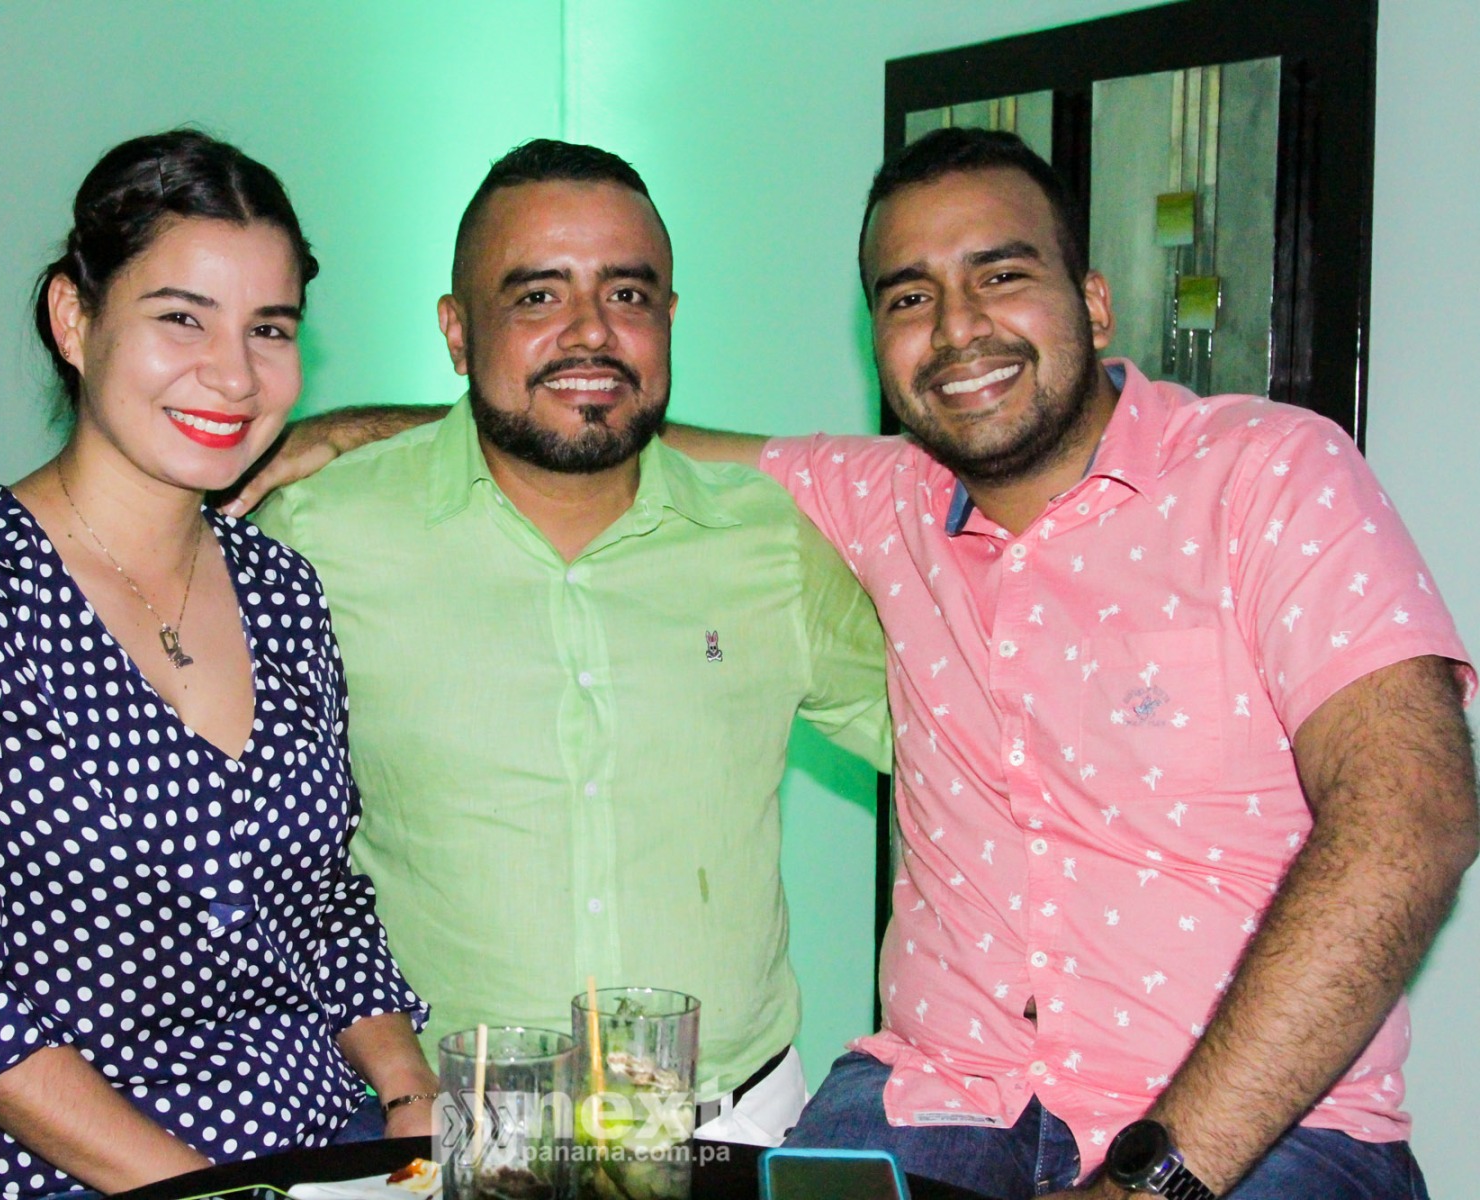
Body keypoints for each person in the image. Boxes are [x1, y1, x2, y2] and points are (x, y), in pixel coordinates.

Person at [655, 128, 1477, 1198]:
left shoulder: (1269, 475)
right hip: (945, 1088)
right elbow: (613, 447)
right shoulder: (886, 494)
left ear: (1093, 305)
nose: (957, 328)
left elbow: (1413, 816)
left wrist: (1151, 1180)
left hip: (1264, 1123)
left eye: (1001, 276)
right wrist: (429, 425)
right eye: (910, 298)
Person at [0, 131, 437, 1200]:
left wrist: (411, 1094)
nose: (234, 373)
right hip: (59, 1177)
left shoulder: (284, 592)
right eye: (182, 317)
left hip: (323, 1150)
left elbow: (321, 905)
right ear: (74, 318)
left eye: (269, 328)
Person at [225, 139, 894, 1144]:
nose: (591, 331)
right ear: (457, 333)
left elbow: (963, 756)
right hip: (439, 1133)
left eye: (628, 294)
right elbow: (237, 851)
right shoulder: (318, 537)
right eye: (537, 296)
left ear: (670, 319)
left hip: (733, 1128)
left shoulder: (768, 541)